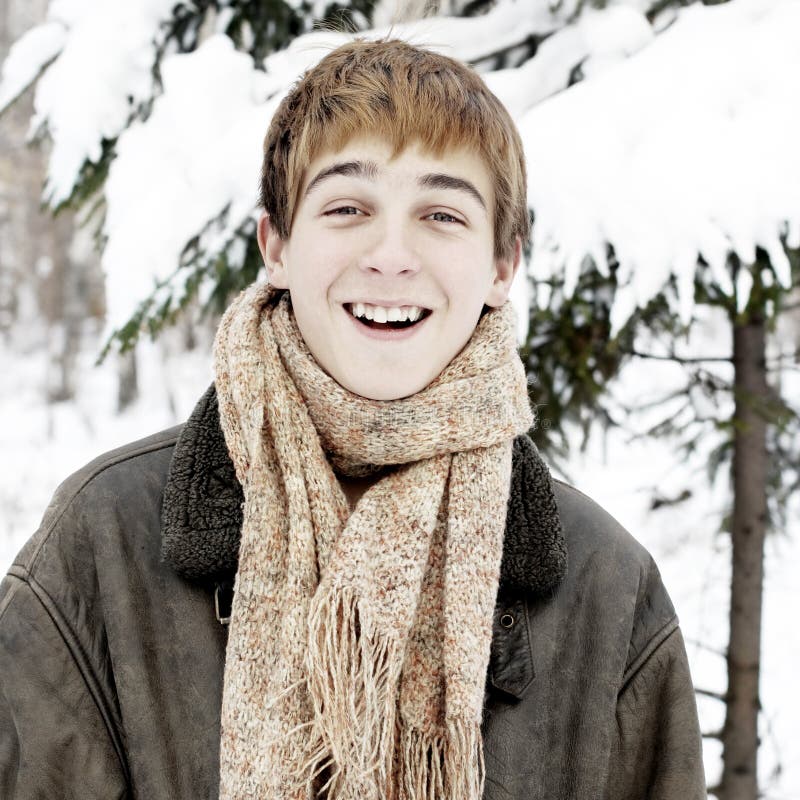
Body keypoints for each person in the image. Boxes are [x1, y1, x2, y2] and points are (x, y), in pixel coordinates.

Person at [0, 38, 706, 800]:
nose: (391, 255)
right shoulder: (103, 543)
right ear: (276, 246)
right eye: (347, 208)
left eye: (440, 214)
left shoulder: (606, 586)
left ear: (503, 266)